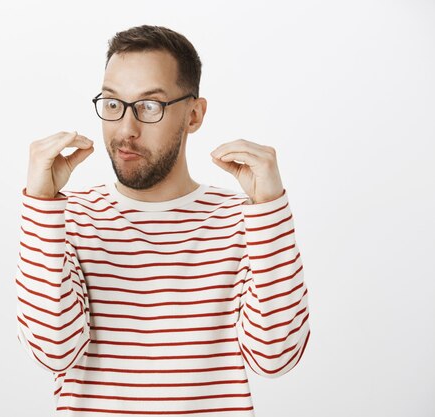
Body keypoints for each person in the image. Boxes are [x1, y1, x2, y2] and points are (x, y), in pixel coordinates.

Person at [16, 24, 311, 416]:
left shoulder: (242, 221)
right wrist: (40, 206)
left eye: (149, 107)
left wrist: (270, 209)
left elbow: (277, 356)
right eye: (112, 103)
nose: (126, 129)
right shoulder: (67, 218)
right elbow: (52, 351)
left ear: (193, 114)